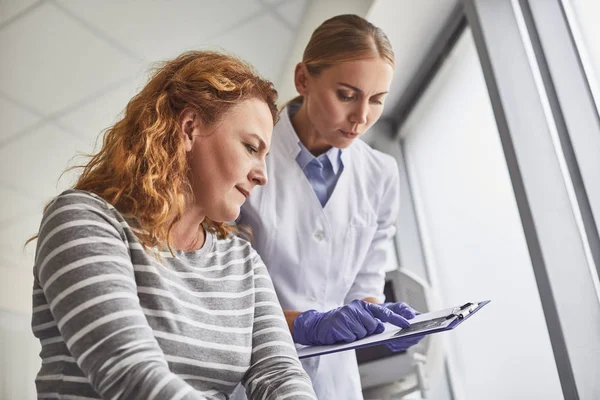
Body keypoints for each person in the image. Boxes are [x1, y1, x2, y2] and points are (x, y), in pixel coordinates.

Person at [28, 51, 317, 400]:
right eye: (250, 148)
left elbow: (280, 375)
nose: (262, 175)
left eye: (265, 156)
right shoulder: (83, 220)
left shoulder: (242, 263)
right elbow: (131, 375)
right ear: (189, 128)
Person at [234, 15, 423, 399]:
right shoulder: (248, 154)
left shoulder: (381, 174)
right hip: (254, 369)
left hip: (336, 385)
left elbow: (365, 284)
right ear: (303, 79)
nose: (361, 117)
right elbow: (227, 294)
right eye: (346, 95)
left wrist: (378, 320)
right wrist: (309, 323)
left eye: (376, 100)